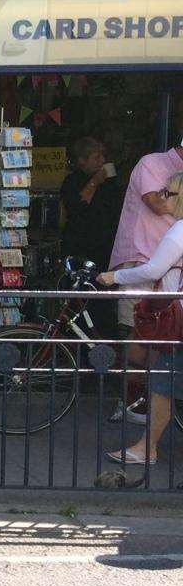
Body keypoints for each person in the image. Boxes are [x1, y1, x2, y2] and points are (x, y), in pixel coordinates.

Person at [98, 170, 183, 467]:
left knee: (162, 384)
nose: (162, 198)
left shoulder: (179, 231)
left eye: (168, 193)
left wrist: (115, 276)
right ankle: (146, 447)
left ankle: (147, 449)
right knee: (164, 381)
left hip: (179, 320)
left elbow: (152, 270)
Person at [107, 134, 183, 424]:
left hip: (170, 268)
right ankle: (133, 399)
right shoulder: (152, 163)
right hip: (142, 257)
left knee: (164, 335)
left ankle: (155, 397)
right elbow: (159, 205)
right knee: (135, 332)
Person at [61, 136, 123, 343]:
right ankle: (75, 343)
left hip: (105, 249)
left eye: (103, 156)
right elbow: (77, 206)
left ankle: (102, 344)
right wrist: (95, 181)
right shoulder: (72, 181)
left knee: (103, 300)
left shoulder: (111, 184)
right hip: (80, 249)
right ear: (82, 160)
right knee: (79, 299)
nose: (101, 161)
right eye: (97, 157)